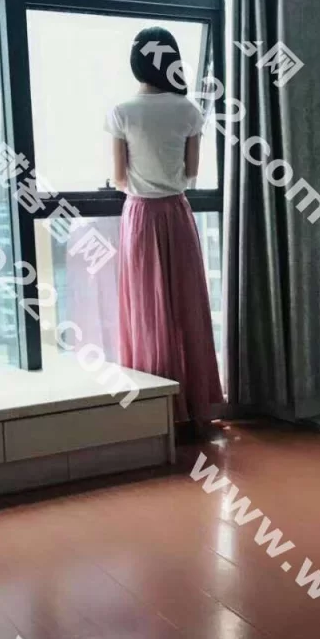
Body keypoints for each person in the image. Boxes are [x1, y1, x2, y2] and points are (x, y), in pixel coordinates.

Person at [104, 26, 223, 429]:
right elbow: (191, 173)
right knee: (186, 309)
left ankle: (156, 413)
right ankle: (197, 406)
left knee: (146, 313)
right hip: (177, 214)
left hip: (140, 217)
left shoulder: (121, 112)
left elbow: (120, 178)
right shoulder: (188, 110)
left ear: (136, 62)